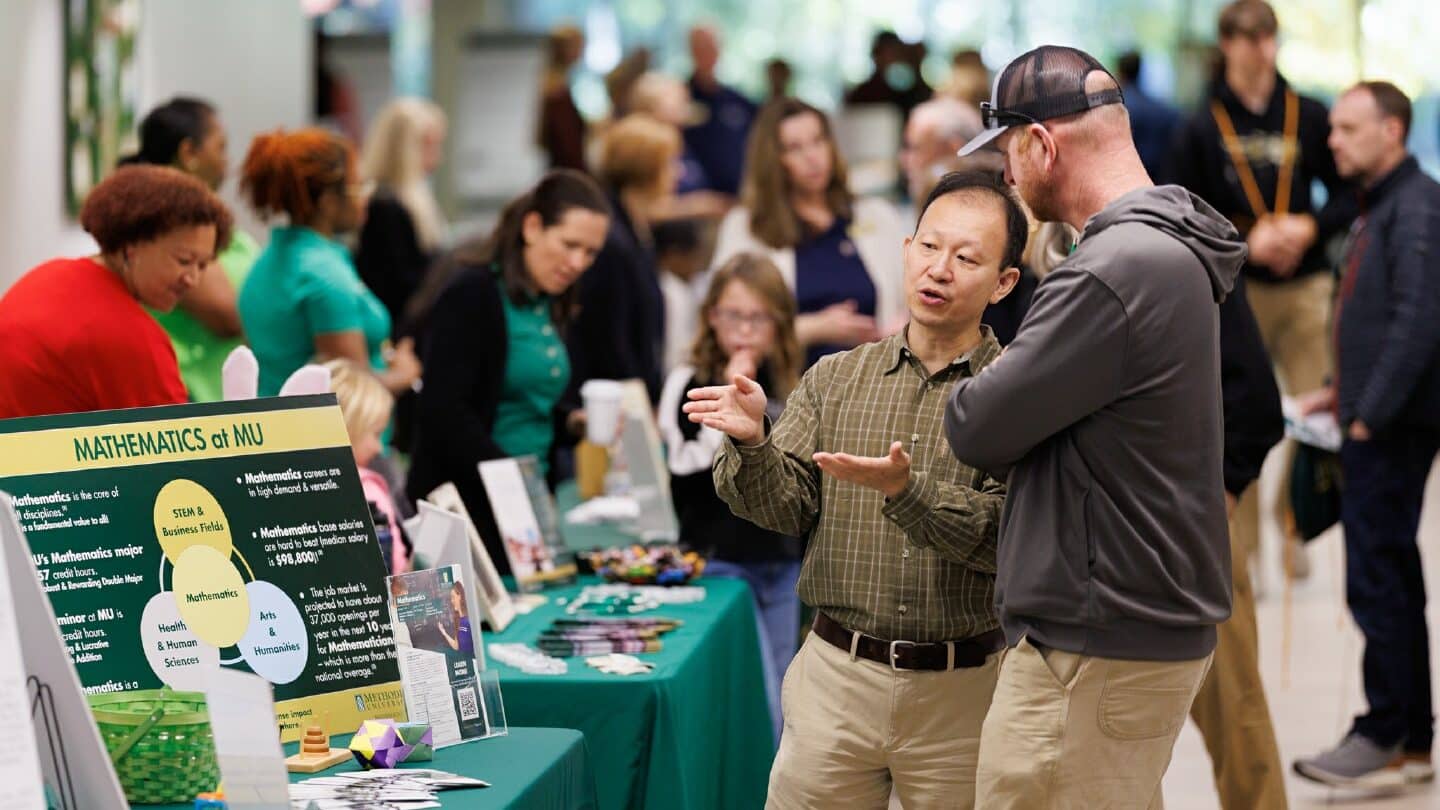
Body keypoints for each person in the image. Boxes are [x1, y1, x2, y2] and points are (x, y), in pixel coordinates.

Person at [945, 46, 1244, 808]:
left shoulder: (1111, 271)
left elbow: (975, 426)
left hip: (1093, 641)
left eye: (1009, 154)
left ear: (1043, 144)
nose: (1007, 179)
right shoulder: (1170, 243)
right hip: (1132, 628)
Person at [688, 171, 1024, 808]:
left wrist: (910, 494)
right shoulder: (835, 378)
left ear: (1004, 282)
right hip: (836, 678)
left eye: (967, 257)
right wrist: (755, 441)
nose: (940, 269)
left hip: (965, 689)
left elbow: (1009, 538)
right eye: (929, 247)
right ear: (905, 250)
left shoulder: (1017, 393)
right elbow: (785, 507)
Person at [1169, 0, 1355, 581]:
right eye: (1246, 38)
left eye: (1267, 36)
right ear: (1226, 44)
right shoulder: (1200, 124)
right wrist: (1248, 238)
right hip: (1235, 289)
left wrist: (1308, 226)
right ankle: (1238, 545)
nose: (1258, 48)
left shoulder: (1308, 113)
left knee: (1319, 411)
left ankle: (1291, 516)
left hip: (1304, 284)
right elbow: (1183, 207)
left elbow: (1348, 195)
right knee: (1236, 420)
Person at [1292, 81, 1440, 790]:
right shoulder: (1379, 205)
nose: (1333, 140)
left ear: (1393, 130)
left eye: (1349, 129)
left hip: (1392, 426)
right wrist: (1340, 392)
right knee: (1393, 578)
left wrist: (1367, 413)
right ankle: (1411, 737)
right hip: (1375, 414)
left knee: (1377, 579)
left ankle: (1383, 730)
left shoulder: (1416, 207)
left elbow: (1418, 320)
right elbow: (1381, 316)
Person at [406, 170, 611, 577]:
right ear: (532, 227)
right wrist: (513, 480)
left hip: (522, 504)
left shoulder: (546, 297)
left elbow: (514, 396)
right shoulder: (473, 292)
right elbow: (445, 412)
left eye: (590, 253)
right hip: (474, 510)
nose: (578, 263)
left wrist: (570, 421)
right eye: (570, 245)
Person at [657, 253, 805, 743]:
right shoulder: (687, 381)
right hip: (720, 562)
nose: (744, 330)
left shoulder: (790, 382)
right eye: (733, 315)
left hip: (779, 561)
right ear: (711, 317)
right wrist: (730, 400)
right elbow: (686, 467)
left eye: (758, 318)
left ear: (778, 323)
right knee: (753, 696)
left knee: (784, 693)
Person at [0, 165, 231, 419]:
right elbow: (177, 449)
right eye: (184, 260)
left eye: (203, 265)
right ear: (131, 247)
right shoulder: (135, 340)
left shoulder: (46, 275)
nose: (193, 279)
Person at [714, 98, 908, 367]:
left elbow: (913, 296)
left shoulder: (875, 215)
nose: (812, 157)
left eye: (818, 141)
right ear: (773, 160)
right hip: (790, 388)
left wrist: (903, 326)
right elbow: (727, 329)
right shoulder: (746, 227)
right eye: (795, 148)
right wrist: (813, 328)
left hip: (875, 382)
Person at [237, 128, 421, 400]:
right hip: (331, 437)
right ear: (327, 201)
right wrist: (406, 373)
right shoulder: (323, 276)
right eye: (359, 187)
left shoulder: (267, 260)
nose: (365, 198)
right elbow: (352, 392)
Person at [123, 97, 258, 403]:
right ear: (188, 153)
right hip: (190, 395)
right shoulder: (171, 221)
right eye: (220, 148)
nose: (228, 162)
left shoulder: (204, 220)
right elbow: (227, 315)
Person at [566, 115, 678, 405]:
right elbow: (611, 341)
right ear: (647, 171)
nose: (677, 173)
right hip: (615, 400)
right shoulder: (613, 242)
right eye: (670, 164)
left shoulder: (637, 231)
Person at [356, 97, 449, 334]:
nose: (437, 157)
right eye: (431, 145)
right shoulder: (386, 207)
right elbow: (399, 288)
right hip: (401, 334)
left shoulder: (411, 202)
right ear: (408, 147)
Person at [325, 358, 410, 574]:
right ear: (348, 428)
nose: (378, 448)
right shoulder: (368, 488)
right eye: (376, 434)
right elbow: (399, 570)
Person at [685, 26, 757, 196]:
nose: (707, 53)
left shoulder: (737, 101)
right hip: (697, 202)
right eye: (700, 47)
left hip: (739, 195)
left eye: (711, 46)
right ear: (691, 51)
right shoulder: (681, 99)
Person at [1116, 51, 1179, 179]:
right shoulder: (1163, 109)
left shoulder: (1119, 109)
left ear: (1120, 72)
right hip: (1160, 179)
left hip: (1131, 180)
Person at [845, 30, 932, 122]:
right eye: (888, 52)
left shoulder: (911, 88)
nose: (892, 58)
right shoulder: (866, 92)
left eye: (896, 53)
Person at [538, 24, 587, 173]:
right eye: (579, 45)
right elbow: (566, 144)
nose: (582, 51)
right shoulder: (556, 90)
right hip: (566, 171)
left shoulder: (555, 83)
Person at [438, 581, 474, 657]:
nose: (451, 601)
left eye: (453, 597)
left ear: (460, 596)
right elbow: (456, 646)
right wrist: (444, 633)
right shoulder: (458, 621)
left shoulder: (470, 618)